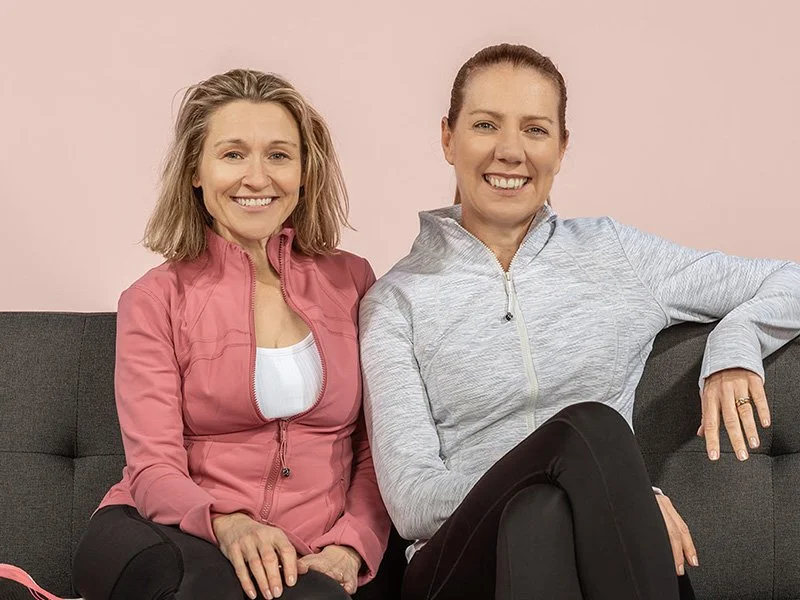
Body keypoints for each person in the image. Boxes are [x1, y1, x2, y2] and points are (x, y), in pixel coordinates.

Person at [359, 43, 800, 600]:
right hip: (455, 567)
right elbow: (412, 500)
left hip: (585, 552)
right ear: (448, 138)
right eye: (486, 124)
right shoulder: (395, 301)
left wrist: (736, 345)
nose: (510, 151)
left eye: (535, 130)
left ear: (562, 148)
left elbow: (789, 279)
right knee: (588, 430)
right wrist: (609, 493)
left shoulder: (614, 254)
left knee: (541, 517)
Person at [65, 69, 390, 600]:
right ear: (196, 170)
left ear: (305, 172)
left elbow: (376, 450)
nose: (257, 178)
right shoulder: (154, 298)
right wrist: (229, 524)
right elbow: (154, 468)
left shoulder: (352, 281)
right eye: (233, 154)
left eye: (279, 155)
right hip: (169, 534)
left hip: (309, 549)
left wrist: (351, 546)